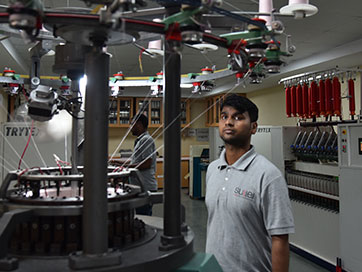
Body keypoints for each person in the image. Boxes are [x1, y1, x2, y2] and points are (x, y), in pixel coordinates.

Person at [205, 94, 294, 272]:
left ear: (253, 128)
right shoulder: (213, 169)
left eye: (238, 117)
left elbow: (280, 239)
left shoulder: (268, 175)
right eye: (224, 117)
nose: (229, 122)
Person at [128, 113, 158, 215]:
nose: (130, 127)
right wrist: (117, 163)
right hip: (140, 186)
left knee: (143, 218)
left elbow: (147, 164)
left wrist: (126, 168)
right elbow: (135, 162)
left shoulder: (146, 140)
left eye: (132, 124)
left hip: (145, 187)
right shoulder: (141, 140)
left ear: (139, 124)